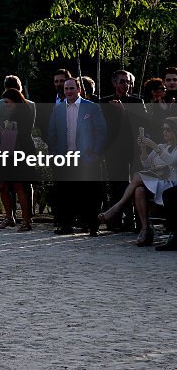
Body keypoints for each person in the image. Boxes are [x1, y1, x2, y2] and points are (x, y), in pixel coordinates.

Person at [98, 117, 177, 246]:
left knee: (137, 176)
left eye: (168, 130)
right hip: (156, 183)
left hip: (170, 184)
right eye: (163, 129)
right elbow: (146, 164)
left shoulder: (169, 148)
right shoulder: (162, 146)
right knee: (139, 190)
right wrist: (144, 149)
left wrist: (155, 147)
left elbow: (172, 161)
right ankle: (145, 229)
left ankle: (119, 206)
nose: (164, 132)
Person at [46, 78, 107, 235]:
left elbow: (101, 131)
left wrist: (96, 153)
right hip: (65, 156)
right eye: (66, 89)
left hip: (86, 157)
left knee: (89, 193)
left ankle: (92, 225)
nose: (68, 92)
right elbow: (51, 133)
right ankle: (66, 224)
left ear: (78, 89)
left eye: (71, 88)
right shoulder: (58, 109)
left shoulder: (91, 107)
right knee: (65, 192)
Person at [97, 69, 144, 231]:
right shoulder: (104, 102)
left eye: (129, 82)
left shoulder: (138, 102)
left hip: (134, 149)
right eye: (122, 81)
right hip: (113, 150)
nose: (126, 85)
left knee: (137, 184)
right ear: (114, 83)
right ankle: (116, 222)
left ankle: (138, 222)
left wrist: (123, 111)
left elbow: (141, 125)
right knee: (117, 185)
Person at [0, 88, 37, 231]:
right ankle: (9, 216)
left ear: (15, 101)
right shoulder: (12, 114)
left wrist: (3, 133)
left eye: (7, 102)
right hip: (7, 153)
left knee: (19, 187)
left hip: (20, 153)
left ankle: (26, 221)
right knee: (2, 186)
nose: (6, 105)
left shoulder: (25, 113)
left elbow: (22, 135)